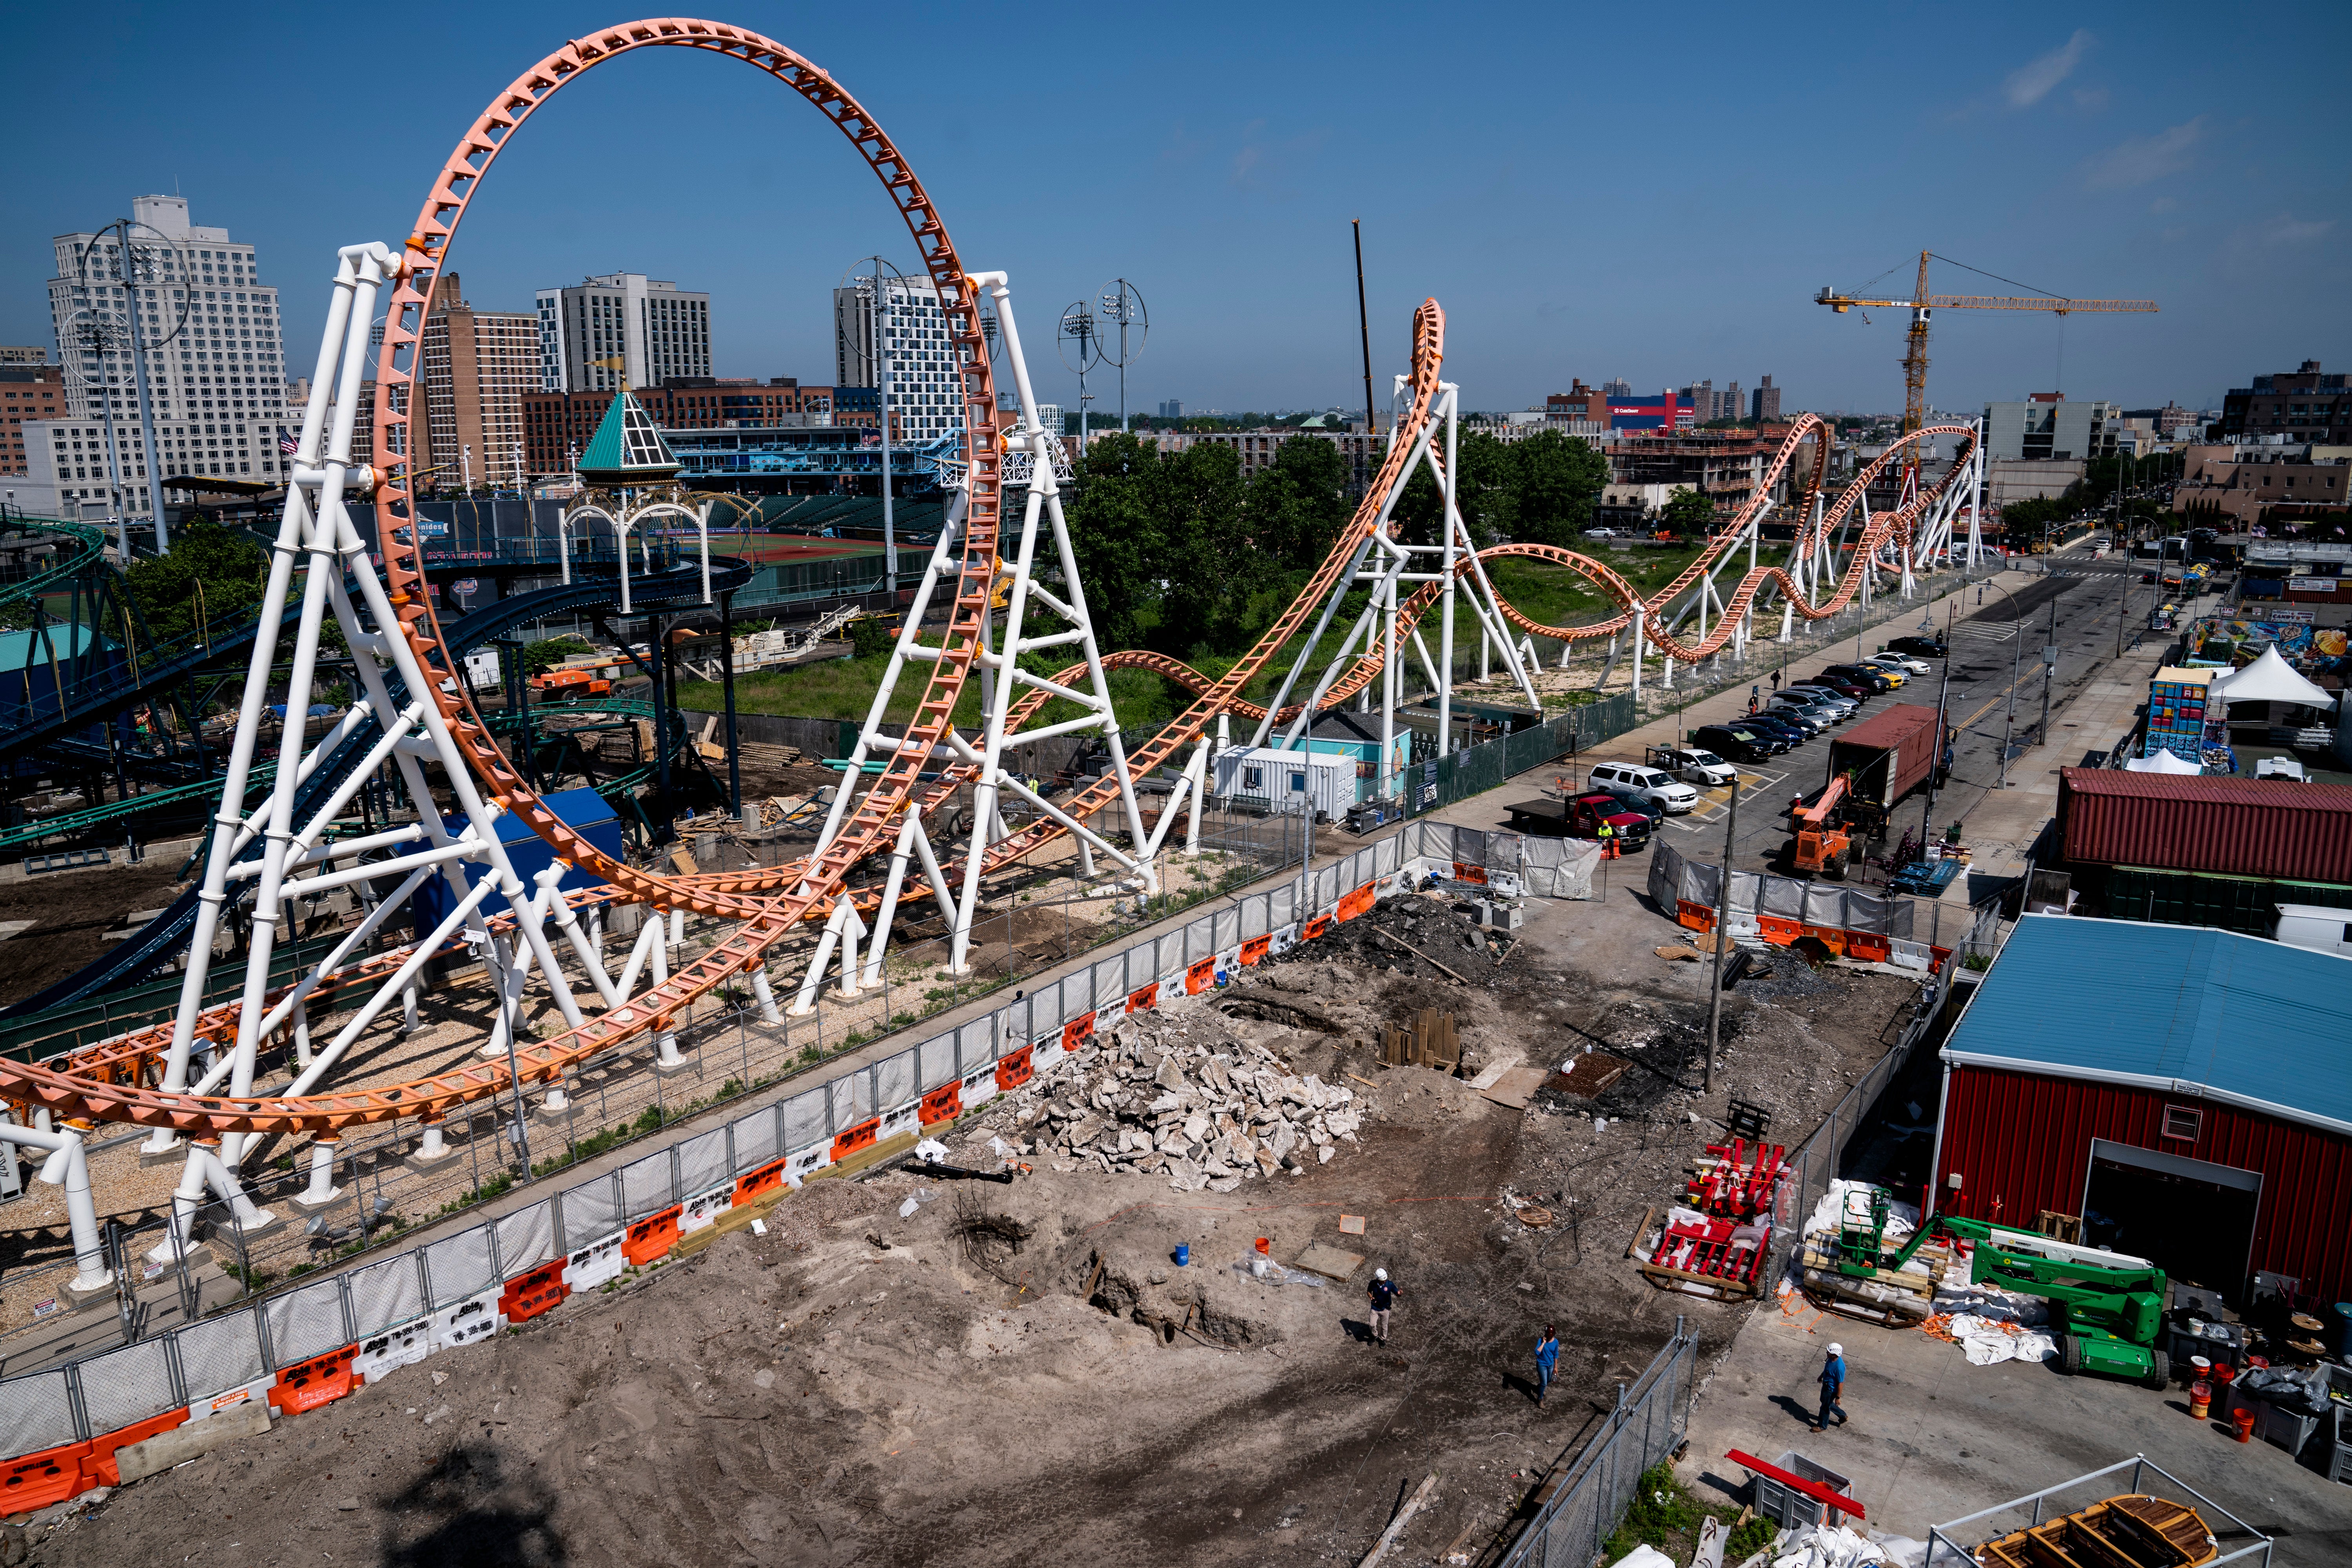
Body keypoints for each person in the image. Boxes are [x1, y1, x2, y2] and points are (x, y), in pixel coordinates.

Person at [1815, 1342, 1847, 1431]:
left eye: (1828, 1352)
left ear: (1834, 1355)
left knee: (1825, 1408)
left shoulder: (1839, 1367)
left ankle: (1822, 1426)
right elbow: (1827, 1369)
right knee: (1825, 1402)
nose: (1827, 1353)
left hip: (1831, 1390)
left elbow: (1841, 1383)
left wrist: (1838, 1397)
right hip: (1826, 1386)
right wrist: (1821, 1376)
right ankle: (1842, 1415)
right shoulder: (1831, 1360)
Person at [1367, 1268, 1397, 1346]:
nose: (1385, 1281)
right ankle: (1374, 1335)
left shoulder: (1390, 1284)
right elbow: (1369, 1292)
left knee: (1384, 1326)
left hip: (1385, 1309)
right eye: (1382, 1280)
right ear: (1377, 1279)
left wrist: (1399, 1293)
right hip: (1375, 1308)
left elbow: (1397, 1293)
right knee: (1372, 1324)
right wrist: (1371, 1297)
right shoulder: (1373, 1284)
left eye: (1385, 1280)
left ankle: (1383, 1339)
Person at [1534, 1326, 1561, 1407]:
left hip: (1551, 1365)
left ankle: (1540, 1387)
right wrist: (1543, 1344)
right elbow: (1537, 1353)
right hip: (1542, 1365)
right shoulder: (1541, 1340)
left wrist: (1556, 1367)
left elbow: (1556, 1354)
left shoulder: (1556, 1342)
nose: (1548, 1336)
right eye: (1547, 1334)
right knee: (1544, 1383)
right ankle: (1540, 1399)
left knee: (1549, 1380)